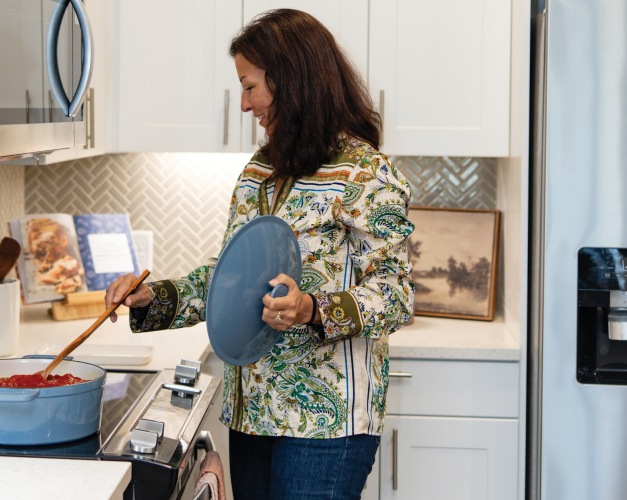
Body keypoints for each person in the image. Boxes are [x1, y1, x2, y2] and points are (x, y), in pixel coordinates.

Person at [105, 9, 414, 500]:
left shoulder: (365, 174)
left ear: (291, 81)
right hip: (252, 410)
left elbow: (396, 295)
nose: (245, 104)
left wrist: (311, 308)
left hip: (325, 426)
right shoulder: (260, 169)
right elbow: (232, 278)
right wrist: (153, 297)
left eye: (250, 87)